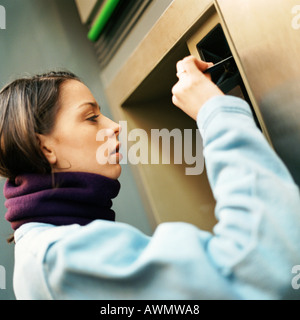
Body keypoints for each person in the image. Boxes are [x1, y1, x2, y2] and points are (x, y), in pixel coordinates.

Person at [1, 56, 299, 300]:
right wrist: (215, 110)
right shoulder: (60, 259)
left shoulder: (47, 251)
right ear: (46, 147)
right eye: (91, 117)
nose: (114, 126)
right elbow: (261, 271)